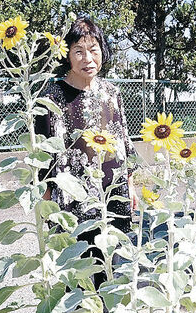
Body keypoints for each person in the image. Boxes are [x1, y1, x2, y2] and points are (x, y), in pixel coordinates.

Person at [38, 16, 138, 243]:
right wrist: (45, 200)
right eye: (79, 51)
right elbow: (43, 155)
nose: (88, 59)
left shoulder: (111, 93)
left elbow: (123, 143)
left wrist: (130, 186)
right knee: (76, 267)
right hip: (72, 199)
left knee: (111, 265)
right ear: (68, 55)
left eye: (94, 50)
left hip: (112, 193)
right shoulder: (51, 98)